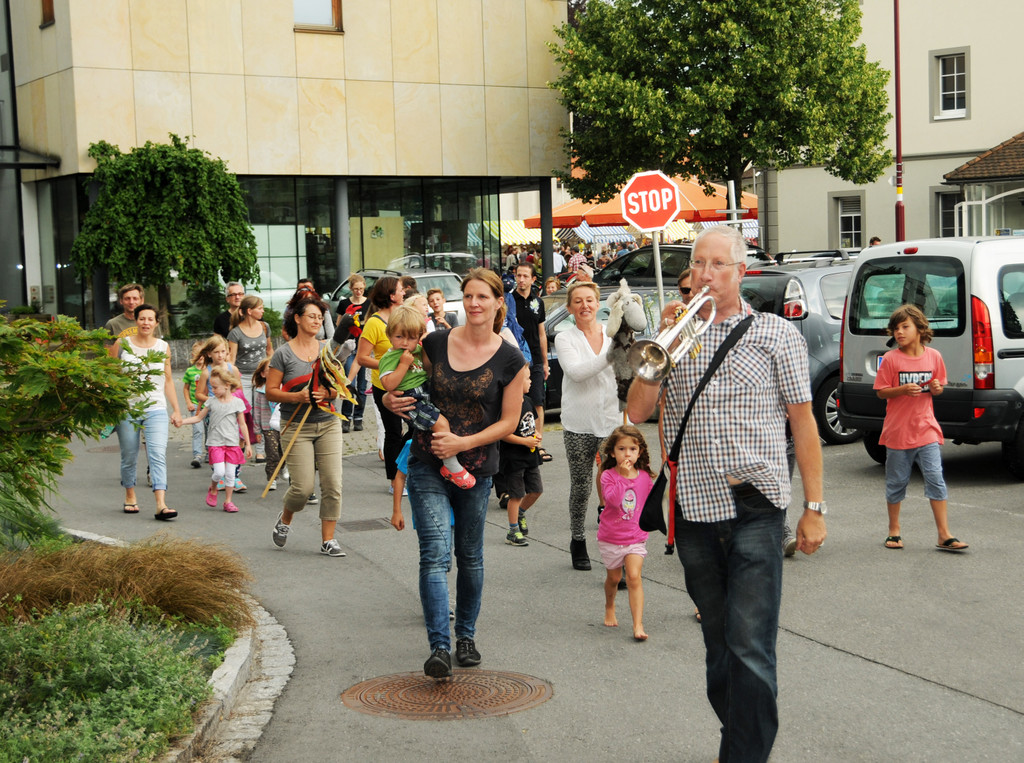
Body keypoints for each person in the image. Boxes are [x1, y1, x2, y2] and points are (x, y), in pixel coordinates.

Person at [626, 225, 826, 763]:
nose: (707, 274)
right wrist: (661, 347)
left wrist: (814, 507)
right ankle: (738, 741)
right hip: (693, 511)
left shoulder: (775, 335)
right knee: (719, 648)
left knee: (750, 648)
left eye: (719, 264)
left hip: (757, 507)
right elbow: (637, 412)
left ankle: (742, 756)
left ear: (741, 272)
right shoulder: (677, 337)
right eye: (699, 264)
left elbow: (804, 425)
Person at [384, 268, 528, 678]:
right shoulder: (435, 342)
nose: (474, 303)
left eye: (483, 296)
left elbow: (509, 421)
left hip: (478, 469)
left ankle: (465, 635)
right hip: (427, 461)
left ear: (499, 302)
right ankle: (439, 647)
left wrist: (464, 444)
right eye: (468, 296)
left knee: (470, 556)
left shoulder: (510, 359)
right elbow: (406, 385)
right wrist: (392, 401)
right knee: (433, 554)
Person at [874, 304, 967, 552]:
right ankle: (894, 531)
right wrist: (902, 390)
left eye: (905, 327)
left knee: (936, 479)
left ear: (919, 328)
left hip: (926, 429)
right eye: (896, 328)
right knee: (896, 482)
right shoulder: (892, 359)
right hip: (897, 432)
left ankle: (944, 534)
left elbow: (938, 387)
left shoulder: (934, 356)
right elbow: (881, 392)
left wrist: (936, 388)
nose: (899, 333)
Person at [266, 295, 347, 557]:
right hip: (296, 426)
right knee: (302, 489)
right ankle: (286, 518)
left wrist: (330, 394)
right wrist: (296, 397)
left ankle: (328, 540)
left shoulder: (327, 349)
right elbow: (270, 392)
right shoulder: (283, 353)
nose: (316, 320)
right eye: (311, 316)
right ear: (297, 318)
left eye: (320, 317)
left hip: (327, 423)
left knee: (333, 484)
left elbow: (340, 388)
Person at [554, 281, 621, 571]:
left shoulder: (612, 334)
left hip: (611, 421)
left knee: (615, 486)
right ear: (570, 308)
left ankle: (615, 542)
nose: (585, 306)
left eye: (590, 301)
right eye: (578, 301)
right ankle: (577, 539)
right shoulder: (564, 337)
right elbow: (577, 373)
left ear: (598, 305)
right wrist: (611, 355)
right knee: (581, 486)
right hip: (578, 423)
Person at [379, 305, 475, 488]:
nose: (405, 343)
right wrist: (402, 365)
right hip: (411, 398)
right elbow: (389, 385)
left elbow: (428, 369)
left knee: (443, 424)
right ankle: (452, 466)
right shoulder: (390, 357)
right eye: (399, 337)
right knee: (441, 424)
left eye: (411, 338)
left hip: (424, 392)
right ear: (389, 334)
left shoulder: (416, 351)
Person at [113, 303, 182, 520]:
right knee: (129, 455)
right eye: (142, 319)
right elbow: (109, 376)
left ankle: (161, 504)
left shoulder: (163, 347)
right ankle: (130, 495)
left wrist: (177, 410)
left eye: (150, 319)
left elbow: (168, 380)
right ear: (135, 320)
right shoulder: (122, 344)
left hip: (156, 408)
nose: (146, 323)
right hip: (127, 409)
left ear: (156, 323)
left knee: (157, 454)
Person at [598, 424, 654, 641]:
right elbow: (611, 501)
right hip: (611, 537)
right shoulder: (608, 476)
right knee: (613, 578)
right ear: (613, 452)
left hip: (635, 537)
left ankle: (638, 625)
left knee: (633, 577)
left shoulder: (644, 476)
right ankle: (609, 605)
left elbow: (650, 501)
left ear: (639, 452)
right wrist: (622, 476)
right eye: (621, 449)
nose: (627, 454)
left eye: (632, 449)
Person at [354, 276, 407, 495]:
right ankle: (394, 480)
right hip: (384, 386)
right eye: (401, 290)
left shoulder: (404, 317)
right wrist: (388, 364)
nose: (404, 292)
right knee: (394, 432)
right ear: (391, 295)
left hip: (408, 383)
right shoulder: (375, 323)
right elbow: (362, 358)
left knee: (416, 428)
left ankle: (407, 470)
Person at [179, 364, 252, 513]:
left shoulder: (237, 403)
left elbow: (242, 424)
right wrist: (182, 421)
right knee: (219, 472)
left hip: (232, 443)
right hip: (216, 443)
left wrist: (248, 444)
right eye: (211, 387)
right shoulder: (211, 401)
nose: (212, 390)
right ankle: (213, 489)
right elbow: (198, 417)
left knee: (231, 474)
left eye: (215, 387)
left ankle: (228, 501)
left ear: (227, 385)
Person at [195, 334, 249, 493]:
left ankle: (235, 475)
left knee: (237, 442)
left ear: (227, 353)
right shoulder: (206, 372)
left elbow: (239, 390)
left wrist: (238, 403)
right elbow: (199, 394)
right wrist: (213, 399)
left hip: (232, 412)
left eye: (223, 351)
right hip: (214, 414)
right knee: (217, 444)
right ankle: (219, 476)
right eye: (216, 352)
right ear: (209, 354)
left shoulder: (233, 369)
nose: (220, 355)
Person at [510, 263, 551, 458]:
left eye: (526, 276)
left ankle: (538, 443)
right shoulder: (509, 300)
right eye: (519, 275)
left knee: (537, 402)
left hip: (534, 358)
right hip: (515, 359)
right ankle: (520, 441)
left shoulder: (538, 302)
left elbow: (541, 334)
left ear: (533, 279)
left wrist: (545, 362)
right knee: (515, 401)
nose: (521, 279)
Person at [499, 370, 543, 546]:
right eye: (527, 378)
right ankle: (513, 530)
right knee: (516, 495)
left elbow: (533, 424)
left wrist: (536, 435)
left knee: (536, 490)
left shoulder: (529, 401)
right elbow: (503, 434)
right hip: (513, 458)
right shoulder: (507, 405)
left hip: (530, 455)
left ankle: (520, 513)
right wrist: (524, 442)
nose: (531, 381)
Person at [336, 273, 372, 433]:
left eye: (361, 289)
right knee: (350, 382)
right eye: (355, 289)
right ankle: (346, 417)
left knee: (363, 385)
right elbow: (339, 325)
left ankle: (359, 417)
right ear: (351, 289)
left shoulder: (369, 303)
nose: (358, 291)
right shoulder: (344, 303)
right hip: (349, 347)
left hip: (364, 347)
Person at [227, 294, 273, 409]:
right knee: (246, 409)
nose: (263, 311)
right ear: (249, 311)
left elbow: (269, 350)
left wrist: (274, 370)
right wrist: (229, 379)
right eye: (260, 308)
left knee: (263, 410)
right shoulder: (235, 333)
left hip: (261, 376)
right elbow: (231, 359)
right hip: (243, 378)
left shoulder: (264, 327)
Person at [251, 359, 282, 491]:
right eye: (270, 370)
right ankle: (272, 478)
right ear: (263, 374)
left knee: (285, 451)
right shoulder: (260, 391)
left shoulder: (283, 387)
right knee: (272, 453)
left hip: (283, 424)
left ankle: (283, 467)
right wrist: (257, 430)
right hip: (267, 426)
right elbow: (257, 410)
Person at [104, 283, 161, 354]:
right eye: (127, 299)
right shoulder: (112, 324)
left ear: (142, 300)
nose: (131, 302)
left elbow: (158, 349)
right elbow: (107, 355)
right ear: (121, 301)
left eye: (135, 298)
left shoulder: (150, 323)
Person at [182, 342, 206, 469]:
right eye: (198, 354)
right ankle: (197, 455)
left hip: (208, 405)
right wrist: (188, 402)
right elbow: (185, 388)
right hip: (196, 405)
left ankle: (210, 452)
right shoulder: (190, 371)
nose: (200, 357)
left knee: (210, 430)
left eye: (202, 354)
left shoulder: (209, 370)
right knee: (198, 430)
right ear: (193, 355)